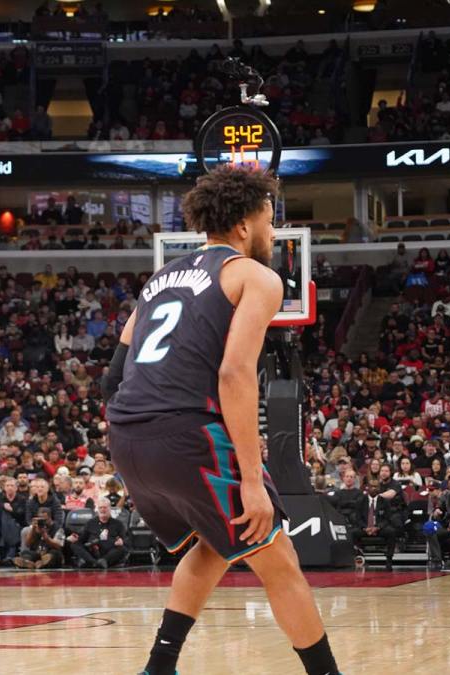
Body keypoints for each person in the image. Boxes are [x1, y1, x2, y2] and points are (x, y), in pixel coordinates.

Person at [103, 166, 340, 675]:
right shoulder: (257, 276)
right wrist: (252, 480)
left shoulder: (159, 279)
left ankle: (159, 667)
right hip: (185, 431)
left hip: (127, 435)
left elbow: (112, 378)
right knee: (280, 562)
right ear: (243, 226)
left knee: (215, 546)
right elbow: (235, 374)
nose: (273, 233)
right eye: (269, 220)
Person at [67, 497, 129, 569]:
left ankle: (101, 561)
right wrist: (75, 538)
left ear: (110, 509)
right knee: (75, 545)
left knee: (122, 549)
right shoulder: (90, 523)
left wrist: (121, 542)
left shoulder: (118, 524)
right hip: (93, 552)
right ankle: (95, 563)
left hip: (109, 552)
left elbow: (125, 541)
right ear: (97, 510)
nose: (102, 510)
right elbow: (82, 539)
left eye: (105, 507)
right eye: (100, 508)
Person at [355, 479, 400, 569]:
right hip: (365, 527)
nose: (374, 488)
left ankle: (389, 559)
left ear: (379, 488)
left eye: (376, 486)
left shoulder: (384, 501)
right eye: (372, 486)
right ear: (368, 488)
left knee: (391, 532)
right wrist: (364, 527)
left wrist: (378, 527)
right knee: (352, 533)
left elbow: (387, 518)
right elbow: (357, 518)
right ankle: (357, 556)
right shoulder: (361, 501)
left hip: (379, 528)